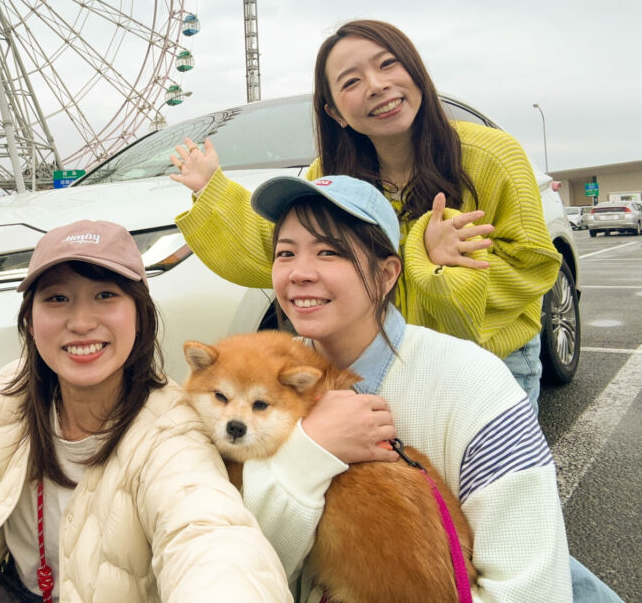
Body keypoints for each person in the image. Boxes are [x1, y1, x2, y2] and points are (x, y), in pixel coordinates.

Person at [0, 219, 292, 603]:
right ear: (30, 318)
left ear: (140, 314)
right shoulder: (7, 398)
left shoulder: (171, 430)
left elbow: (209, 534)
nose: (81, 322)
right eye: (57, 298)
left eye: (105, 295)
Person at [169, 19, 560, 411]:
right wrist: (210, 190)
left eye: (388, 64)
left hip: (487, 354)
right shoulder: (328, 174)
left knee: (487, 466)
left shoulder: (493, 156)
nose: (376, 85)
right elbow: (273, 246)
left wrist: (444, 265)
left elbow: (532, 265)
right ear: (334, 112)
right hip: (383, 358)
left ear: (417, 72)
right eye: (351, 82)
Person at [244, 172, 573, 602]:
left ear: (386, 275)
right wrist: (312, 448)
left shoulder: (475, 384)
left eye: (329, 252)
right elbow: (251, 566)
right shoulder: (262, 384)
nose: (299, 273)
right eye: (285, 253)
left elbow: (534, 588)